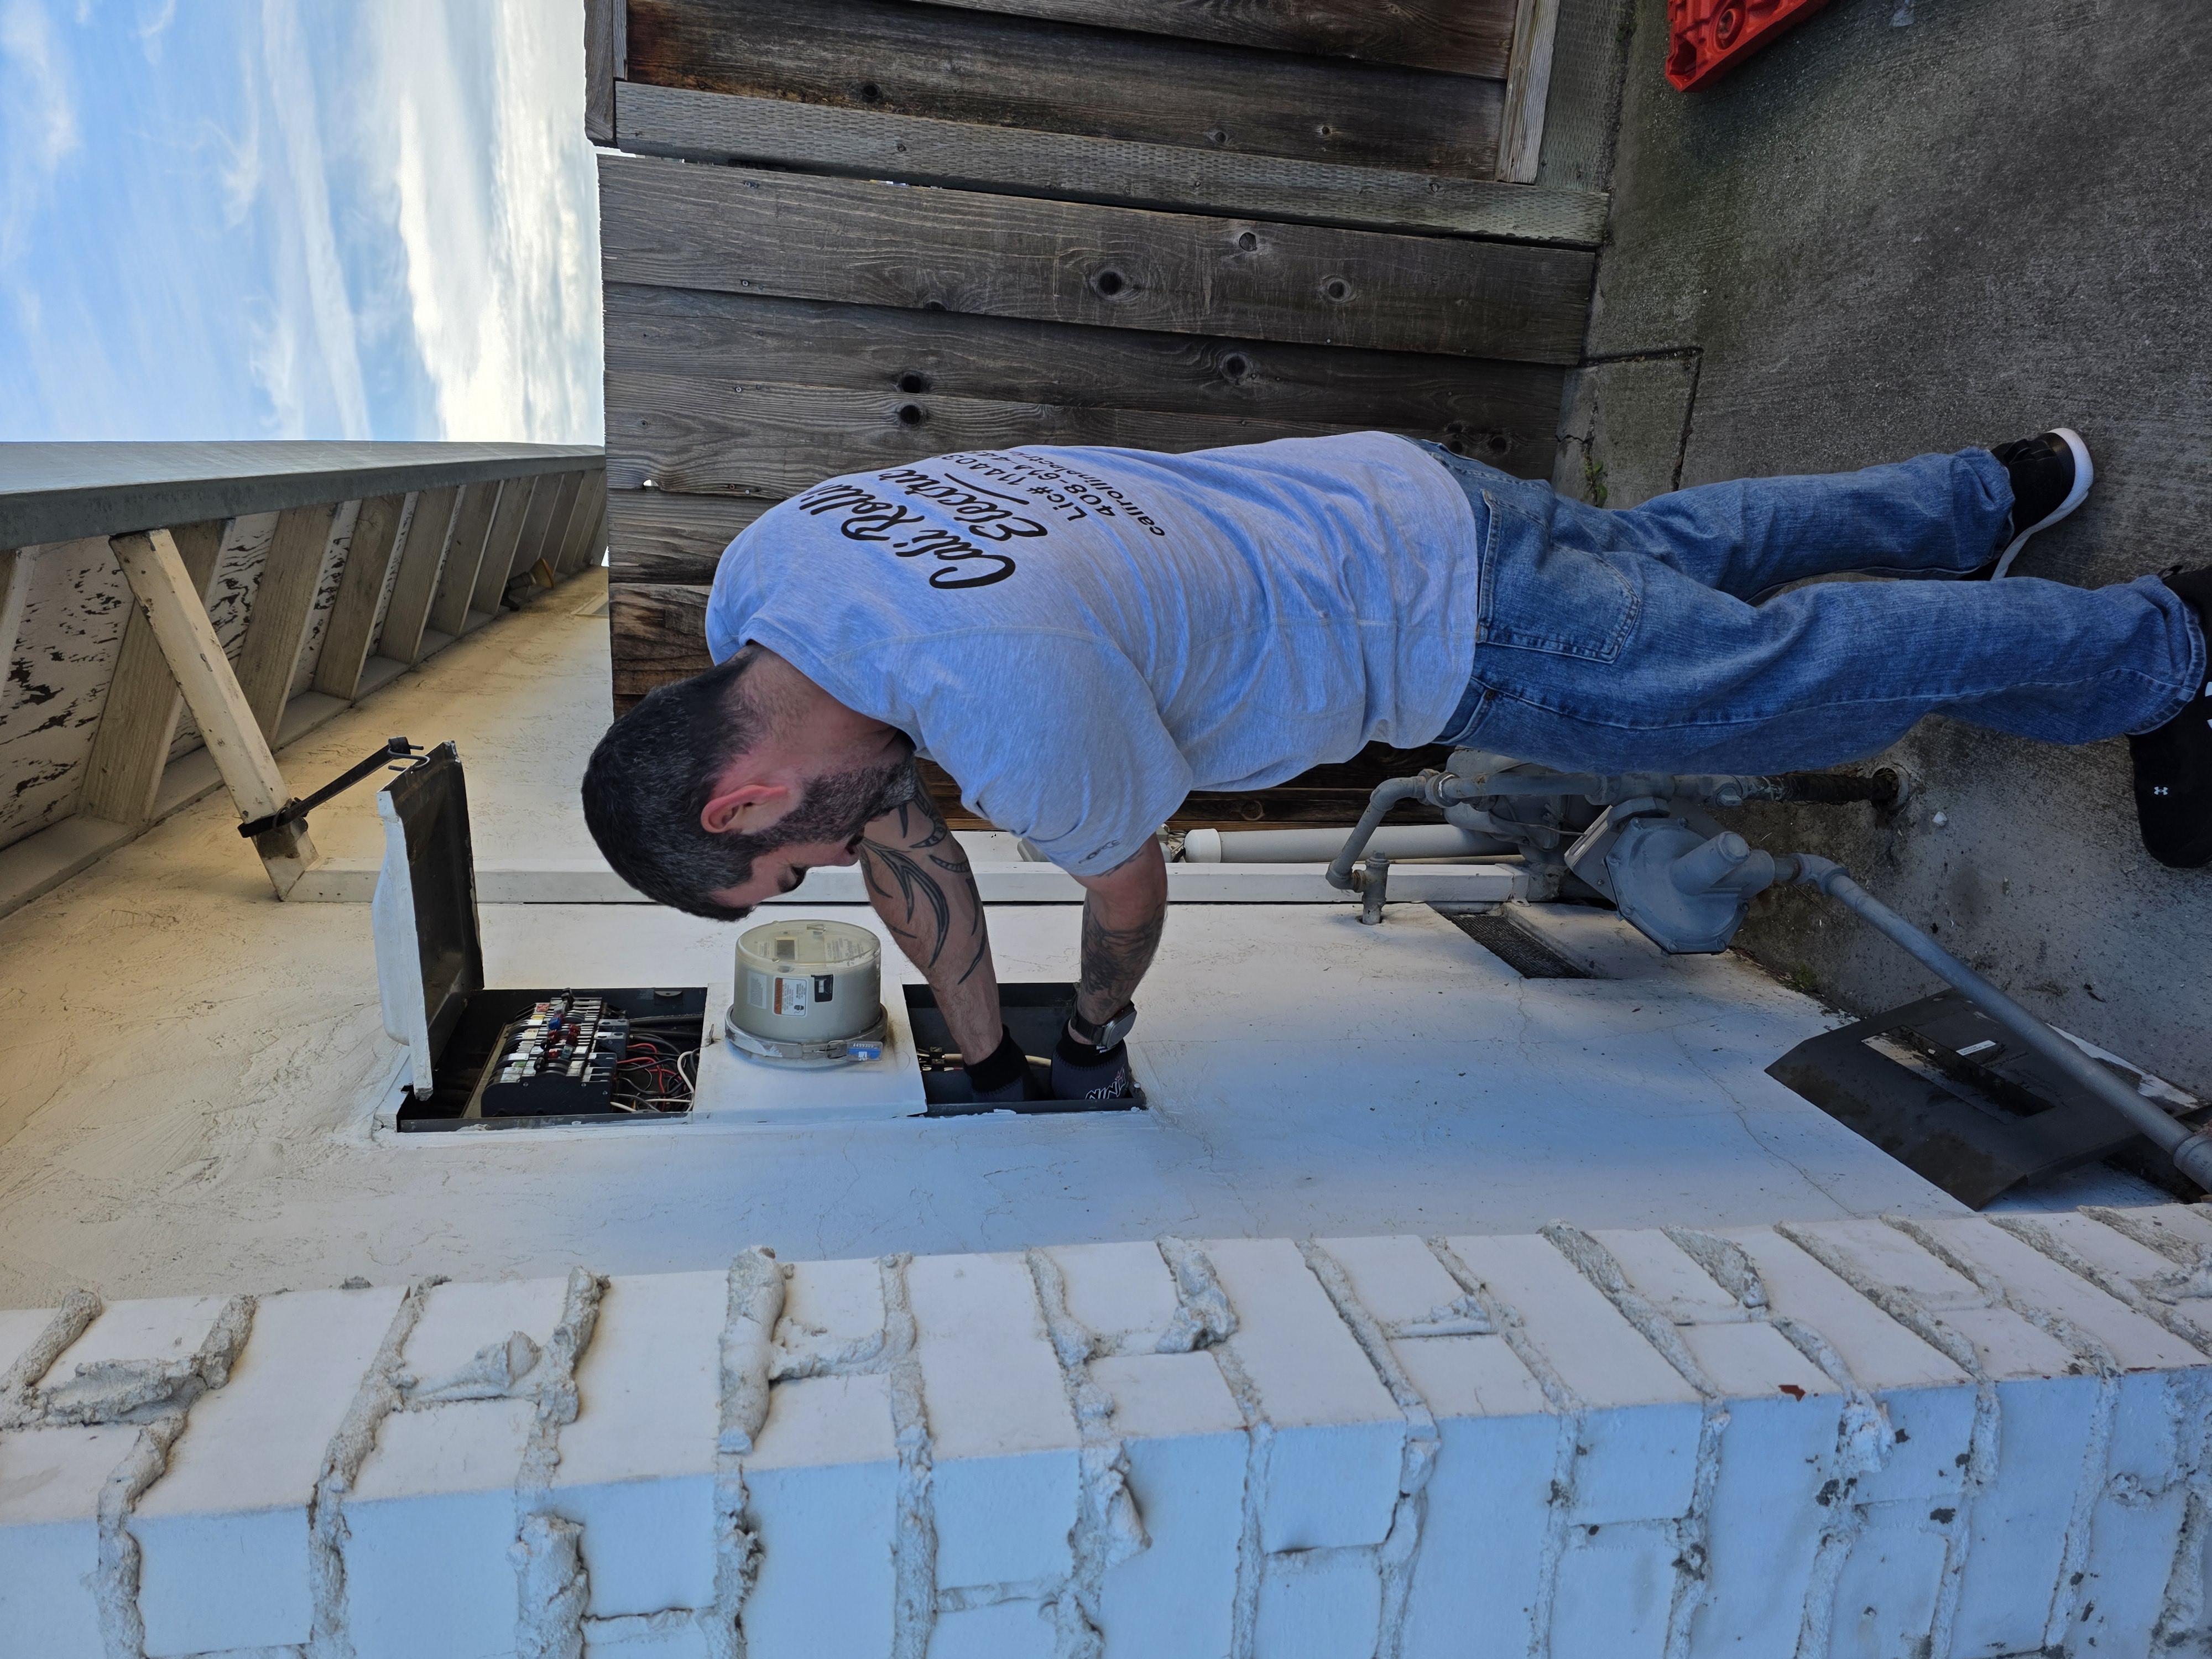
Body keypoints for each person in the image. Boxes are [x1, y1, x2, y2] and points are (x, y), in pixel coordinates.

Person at [582, 431, 2209, 1103]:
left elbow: (1123, 892)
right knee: (1670, 554)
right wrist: (983, 1057)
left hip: (1446, 624)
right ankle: (1986, 493)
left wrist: (1092, 1030)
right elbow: (900, 834)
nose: (825, 878)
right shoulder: (773, 580)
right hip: (1384, 491)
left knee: (1758, 692)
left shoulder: (1008, 706)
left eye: (782, 868)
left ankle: (2166, 650)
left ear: (741, 797)